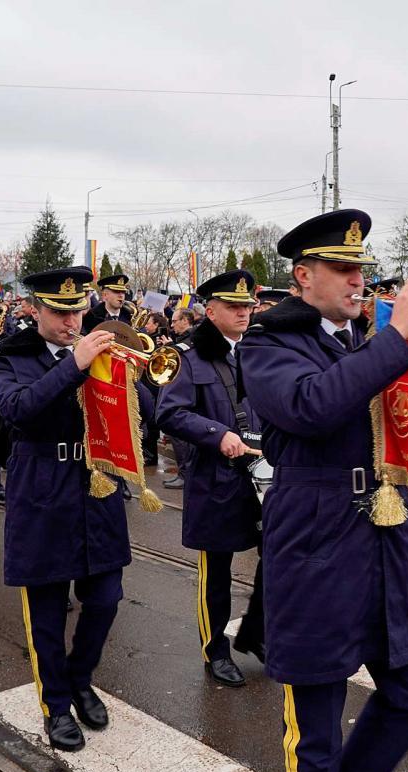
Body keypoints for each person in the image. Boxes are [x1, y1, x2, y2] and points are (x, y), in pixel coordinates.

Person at [239, 210, 408, 772]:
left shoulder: (362, 341)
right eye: (342, 269)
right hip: (318, 536)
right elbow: (312, 406)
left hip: (384, 534)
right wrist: (398, 338)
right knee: (317, 732)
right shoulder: (267, 341)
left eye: (361, 270)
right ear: (304, 276)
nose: (359, 281)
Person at [0, 267, 130, 752]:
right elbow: (18, 409)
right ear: (35, 310)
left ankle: (80, 677)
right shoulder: (10, 359)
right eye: (60, 312)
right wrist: (75, 365)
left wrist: (131, 380)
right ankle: (56, 704)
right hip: (42, 485)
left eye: (77, 311)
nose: (72, 321)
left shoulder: (100, 350)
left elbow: (144, 416)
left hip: (96, 483)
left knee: (106, 597)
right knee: (47, 609)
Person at [156, 269, 266, 687]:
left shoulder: (256, 351)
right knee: (216, 572)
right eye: (233, 306)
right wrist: (218, 434)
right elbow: (170, 412)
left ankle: (256, 633)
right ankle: (215, 649)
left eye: (247, 305)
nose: (243, 312)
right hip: (216, 478)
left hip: (261, 477)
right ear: (212, 310)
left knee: (277, 560)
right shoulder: (187, 357)